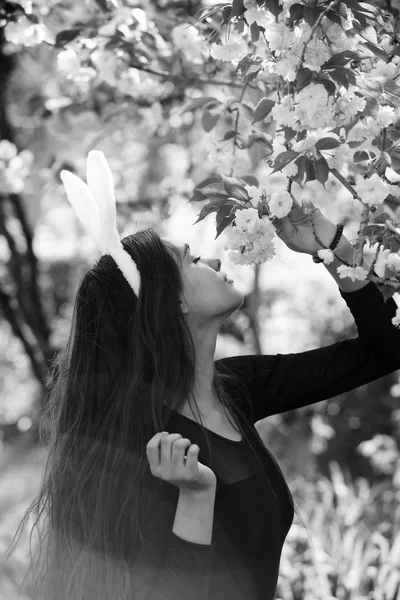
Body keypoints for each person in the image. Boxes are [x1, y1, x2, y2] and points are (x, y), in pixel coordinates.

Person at [2, 151, 399, 600]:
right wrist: (195, 497)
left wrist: (332, 247)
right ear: (173, 303)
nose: (212, 261)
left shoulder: (233, 389)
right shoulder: (136, 445)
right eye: (191, 260)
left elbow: (384, 350)